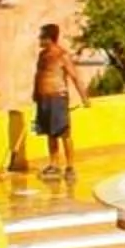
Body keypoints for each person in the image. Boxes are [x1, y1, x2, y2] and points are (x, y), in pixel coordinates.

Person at [33, 22, 83, 178]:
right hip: (44, 99)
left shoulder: (62, 55)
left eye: (42, 36)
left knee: (64, 133)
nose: (39, 39)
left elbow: (74, 76)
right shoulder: (42, 55)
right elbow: (39, 74)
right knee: (50, 133)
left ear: (50, 38)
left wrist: (84, 97)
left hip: (58, 98)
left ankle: (70, 167)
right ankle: (54, 164)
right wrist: (35, 92)